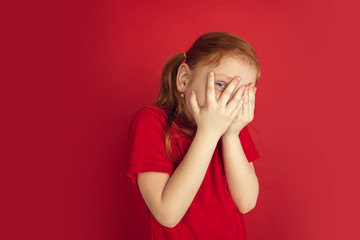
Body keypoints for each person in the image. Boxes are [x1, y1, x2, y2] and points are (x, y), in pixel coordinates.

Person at [126, 32, 261, 240]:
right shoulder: (151, 122)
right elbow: (167, 213)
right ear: (184, 78)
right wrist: (208, 133)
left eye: (240, 93)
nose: (229, 99)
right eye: (222, 85)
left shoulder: (234, 128)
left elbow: (246, 202)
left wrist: (231, 134)